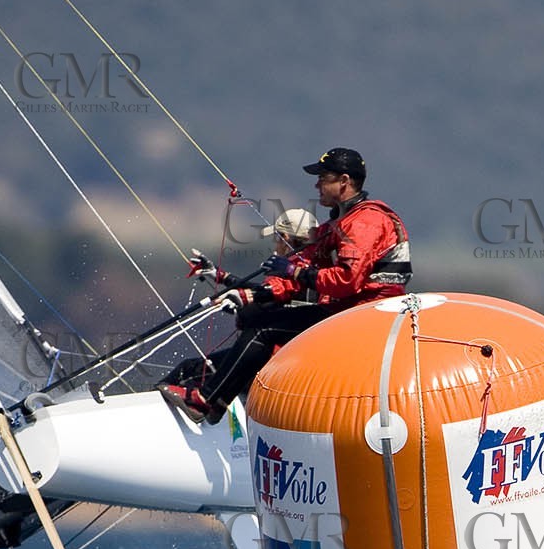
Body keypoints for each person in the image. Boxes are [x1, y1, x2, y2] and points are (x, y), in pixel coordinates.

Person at [160, 147, 411, 424]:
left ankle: (207, 401)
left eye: (323, 178)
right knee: (255, 316)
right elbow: (299, 268)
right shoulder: (339, 222)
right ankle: (218, 401)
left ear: (343, 181)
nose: (316, 185)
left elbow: (346, 281)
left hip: (366, 316)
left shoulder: (365, 222)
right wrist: (259, 288)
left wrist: (293, 270)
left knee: (263, 329)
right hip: (350, 310)